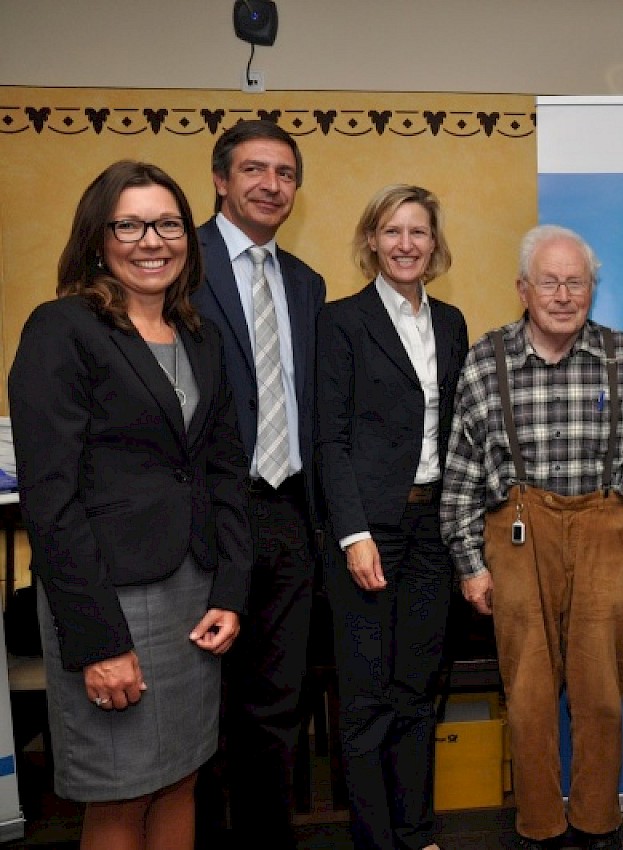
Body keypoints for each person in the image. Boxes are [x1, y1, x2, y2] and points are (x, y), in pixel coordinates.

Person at [9, 160, 251, 849]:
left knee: (182, 777)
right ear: (98, 238)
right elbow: (50, 501)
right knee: (121, 792)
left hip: (194, 594)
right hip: (107, 597)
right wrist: (99, 641)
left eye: (169, 225)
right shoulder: (62, 329)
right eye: (131, 226)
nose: (153, 242)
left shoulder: (200, 336)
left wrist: (230, 589)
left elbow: (224, 470)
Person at [441, 225, 623, 850]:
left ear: (592, 289)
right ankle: (538, 825)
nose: (563, 296)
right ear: (523, 289)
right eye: (550, 282)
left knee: (601, 693)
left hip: (605, 534)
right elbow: (462, 470)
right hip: (515, 539)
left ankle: (597, 821)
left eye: (576, 283)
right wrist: (469, 564)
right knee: (529, 694)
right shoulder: (487, 359)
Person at [316, 185, 468, 850]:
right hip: (369, 533)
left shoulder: (452, 323)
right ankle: (376, 840)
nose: (406, 244)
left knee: (417, 691)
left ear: (434, 244)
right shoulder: (340, 322)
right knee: (367, 698)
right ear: (371, 241)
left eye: (418, 232)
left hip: (433, 531)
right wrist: (353, 534)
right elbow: (330, 439)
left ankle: (416, 831)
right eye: (392, 231)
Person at [191, 119, 326, 848]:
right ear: (220, 179)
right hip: (208, 516)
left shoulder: (305, 283)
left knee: (277, 708)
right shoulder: (180, 263)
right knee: (203, 712)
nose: (271, 185)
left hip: (287, 515)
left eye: (285, 173)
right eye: (254, 169)